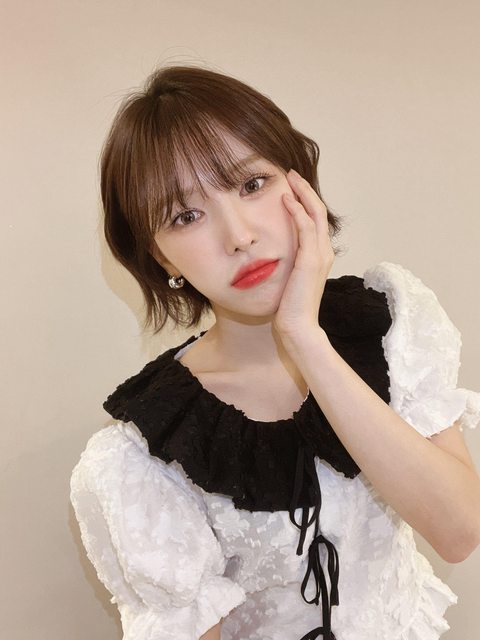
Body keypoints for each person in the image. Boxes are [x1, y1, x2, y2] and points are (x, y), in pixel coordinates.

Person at [70, 65, 480, 640]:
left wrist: (306, 340)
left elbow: (459, 530)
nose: (239, 235)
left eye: (251, 184)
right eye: (186, 216)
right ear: (161, 258)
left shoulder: (390, 322)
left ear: (299, 183)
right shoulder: (143, 455)